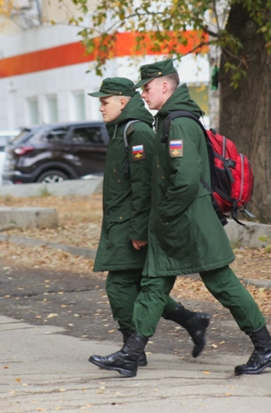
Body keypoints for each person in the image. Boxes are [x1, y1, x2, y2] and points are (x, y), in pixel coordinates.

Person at [90, 60, 271, 378]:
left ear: (165, 86)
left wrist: (162, 216)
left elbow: (186, 180)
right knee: (152, 286)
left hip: (191, 226)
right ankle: (131, 353)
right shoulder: (168, 120)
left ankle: (265, 347)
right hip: (177, 225)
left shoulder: (178, 123)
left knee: (225, 286)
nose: (144, 94)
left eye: (147, 88)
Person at [87, 77, 211, 369]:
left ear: (122, 101)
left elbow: (145, 185)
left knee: (120, 286)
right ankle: (190, 321)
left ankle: (133, 350)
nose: (101, 108)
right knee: (132, 286)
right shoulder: (123, 129)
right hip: (121, 223)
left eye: (105, 102)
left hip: (131, 224)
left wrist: (139, 228)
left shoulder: (137, 130)